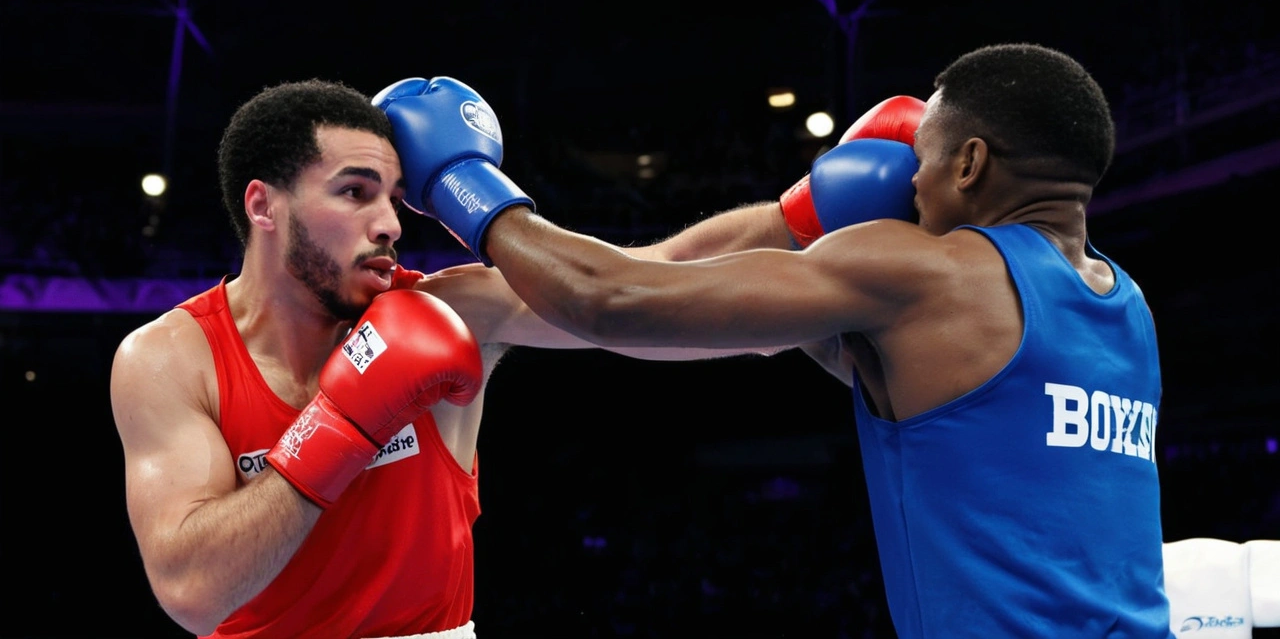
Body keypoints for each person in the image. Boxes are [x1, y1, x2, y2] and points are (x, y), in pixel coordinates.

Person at [377, 42, 1176, 638]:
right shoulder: (1127, 308)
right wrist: (797, 216)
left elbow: (612, 296)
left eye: (922, 164)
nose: (909, 185)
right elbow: (746, 317)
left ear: (969, 163)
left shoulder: (928, 276)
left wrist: (461, 183)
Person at [109, 78, 786, 639]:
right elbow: (193, 590)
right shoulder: (171, 359)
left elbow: (657, 276)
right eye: (355, 191)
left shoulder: (451, 311)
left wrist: (809, 215)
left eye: (394, 196)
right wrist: (342, 424)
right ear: (264, 205)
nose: (392, 223)